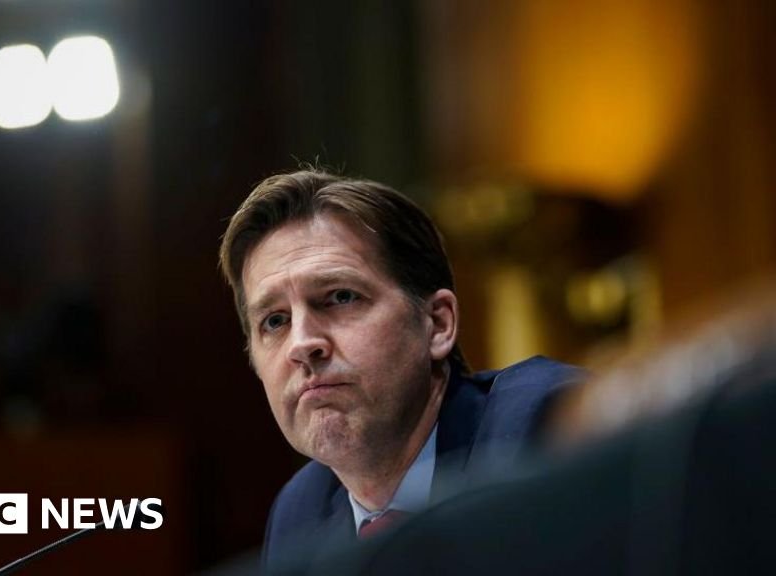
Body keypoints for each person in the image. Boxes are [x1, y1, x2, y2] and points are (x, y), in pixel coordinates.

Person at [218, 169, 582, 569]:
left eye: (340, 297)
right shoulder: (299, 515)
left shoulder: (547, 429)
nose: (302, 344)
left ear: (437, 324)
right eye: (274, 321)